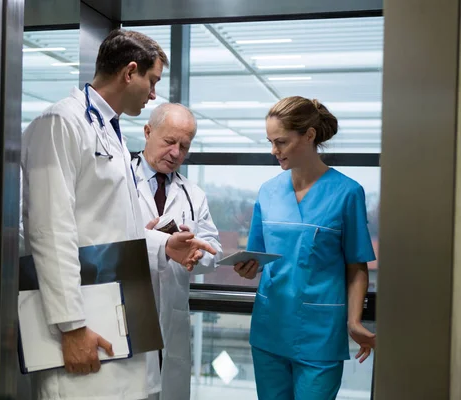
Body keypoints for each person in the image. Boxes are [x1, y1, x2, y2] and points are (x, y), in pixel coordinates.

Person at [21, 29, 217, 400]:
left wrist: (164, 246)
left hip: (116, 317)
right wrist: (71, 326)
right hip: (82, 323)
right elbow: (50, 231)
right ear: (130, 72)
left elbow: (112, 227)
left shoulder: (109, 131)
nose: (154, 93)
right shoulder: (62, 123)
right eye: (152, 80)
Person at [234, 96, 376, 400]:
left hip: (320, 334)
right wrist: (247, 268)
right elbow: (257, 261)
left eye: (281, 142)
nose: (274, 151)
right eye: (271, 142)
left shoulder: (347, 193)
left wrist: (353, 321)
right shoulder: (268, 192)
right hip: (269, 329)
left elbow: (357, 266)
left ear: (309, 136)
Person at [131, 103, 223, 400]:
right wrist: (152, 241)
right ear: (147, 132)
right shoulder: (119, 181)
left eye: (184, 146)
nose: (176, 153)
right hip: (127, 311)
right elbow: (101, 237)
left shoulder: (193, 194)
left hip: (171, 318)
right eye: (169, 142)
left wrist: (198, 254)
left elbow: (214, 249)